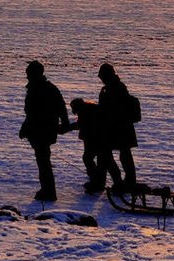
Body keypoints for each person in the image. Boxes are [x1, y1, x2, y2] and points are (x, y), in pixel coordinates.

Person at [19, 60, 71, 202]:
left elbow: (34, 114)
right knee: (43, 161)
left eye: (29, 73)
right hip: (42, 130)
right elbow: (61, 109)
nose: (27, 76)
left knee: (43, 162)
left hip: (42, 130)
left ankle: (48, 192)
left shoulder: (40, 88)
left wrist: (26, 128)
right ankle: (47, 190)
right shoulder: (47, 88)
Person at [97, 62, 140, 188]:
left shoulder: (116, 87)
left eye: (102, 76)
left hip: (120, 127)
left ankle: (125, 182)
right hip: (114, 127)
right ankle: (120, 181)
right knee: (118, 154)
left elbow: (114, 108)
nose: (101, 79)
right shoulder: (109, 87)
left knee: (122, 154)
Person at [70, 97, 123, 193]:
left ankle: (100, 182)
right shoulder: (89, 108)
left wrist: (64, 128)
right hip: (98, 139)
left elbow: (81, 124)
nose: (74, 111)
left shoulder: (85, 111)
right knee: (104, 161)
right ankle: (100, 183)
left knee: (96, 160)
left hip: (97, 140)